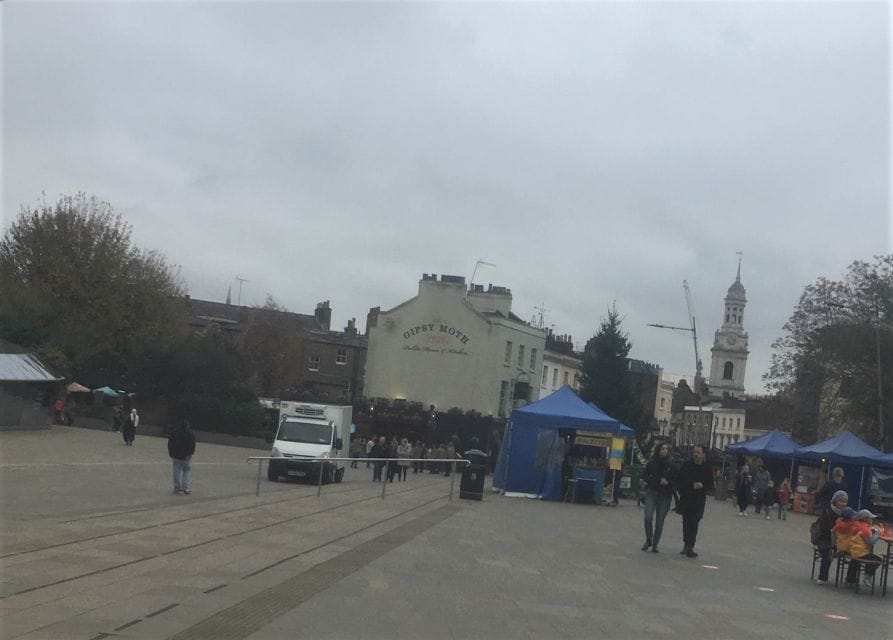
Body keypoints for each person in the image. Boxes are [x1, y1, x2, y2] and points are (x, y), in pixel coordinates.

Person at [675, 444, 714, 558]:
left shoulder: (707, 468)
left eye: (698, 453)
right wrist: (691, 485)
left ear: (703, 454)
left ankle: (690, 545)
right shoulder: (687, 465)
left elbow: (710, 484)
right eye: (694, 452)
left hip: (699, 500)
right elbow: (680, 481)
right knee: (686, 523)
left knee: (694, 523)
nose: (696, 455)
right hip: (687, 498)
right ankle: (686, 543)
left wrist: (703, 485)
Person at [833, 507, 884, 588]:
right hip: (861, 552)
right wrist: (878, 534)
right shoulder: (864, 528)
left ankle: (850, 580)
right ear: (865, 519)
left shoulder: (856, 526)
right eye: (870, 518)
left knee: (855, 560)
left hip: (853, 550)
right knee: (878, 560)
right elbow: (870, 542)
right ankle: (867, 576)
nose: (872, 520)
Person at [641, 442, 675, 553]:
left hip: (665, 495)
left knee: (660, 522)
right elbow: (645, 475)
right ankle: (648, 538)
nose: (664, 451)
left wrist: (668, 483)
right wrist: (651, 481)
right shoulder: (652, 463)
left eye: (666, 449)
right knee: (648, 517)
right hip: (652, 492)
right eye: (662, 449)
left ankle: (655, 544)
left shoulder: (671, 465)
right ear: (658, 450)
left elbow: (676, 480)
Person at [813, 490, 848, 585]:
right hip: (825, 538)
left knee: (856, 550)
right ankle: (822, 577)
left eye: (845, 501)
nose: (843, 503)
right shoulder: (827, 511)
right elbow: (824, 528)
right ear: (835, 501)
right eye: (841, 501)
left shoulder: (847, 513)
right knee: (827, 550)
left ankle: (850, 579)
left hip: (840, 539)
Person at [168, 420, 196, 495]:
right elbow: (193, 444)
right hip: (186, 456)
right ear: (187, 425)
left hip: (176, 455)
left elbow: (170, 443)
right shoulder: (190, 433)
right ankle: (185, 488)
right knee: (186, 471)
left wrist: (171, 453)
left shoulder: (174, 432)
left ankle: (176, 487)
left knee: (176, 471)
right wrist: (190, 453)